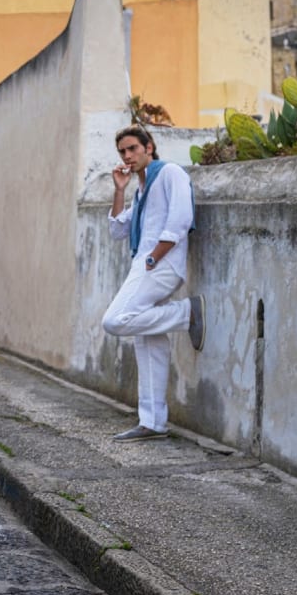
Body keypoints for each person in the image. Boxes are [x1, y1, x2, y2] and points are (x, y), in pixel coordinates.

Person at [101, 125, 205, 441]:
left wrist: (152, 258)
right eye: (122, 151)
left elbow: (181, 219)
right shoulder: (141, 191)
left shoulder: (169, 173)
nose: (127, 156)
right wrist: (120, 189)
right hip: (146, 265)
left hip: (158, 265)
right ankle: (153, 421)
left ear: (149, 147)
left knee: (115, 321)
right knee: (148, 343)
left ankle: (187, 313)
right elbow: (118, 230)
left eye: (132, 148)